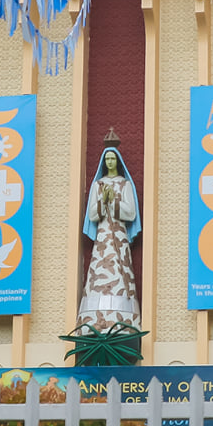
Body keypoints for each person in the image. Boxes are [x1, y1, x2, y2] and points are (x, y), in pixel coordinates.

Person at [77, 131, 140, 330]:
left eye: (113, 158)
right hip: (103, 237)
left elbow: (131, 214)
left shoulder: (125, 184)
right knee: (98, 272)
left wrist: (115, 200)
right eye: (107, 159)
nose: (110, 162)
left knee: (121, 272)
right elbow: (93, 216)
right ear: (104, 162)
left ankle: (123, 316)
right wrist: (103, 201)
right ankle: (94, 316)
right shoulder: (99, 184)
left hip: (119, 236)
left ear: (118, 161)